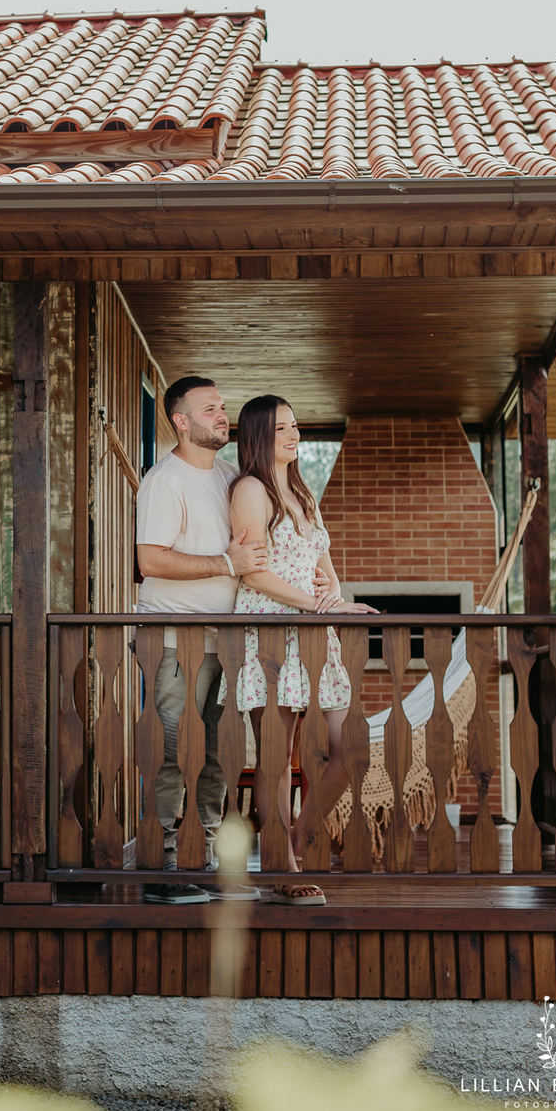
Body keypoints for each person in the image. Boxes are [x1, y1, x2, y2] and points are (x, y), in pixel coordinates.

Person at [225, 394, 378, 902]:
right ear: (258, 436)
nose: (294, 436)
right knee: (277, 755)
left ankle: (295, 837)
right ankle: (282, 867)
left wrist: (335, 602)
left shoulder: (303, 493)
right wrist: (318, 607)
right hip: (271, 631)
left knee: (351, 746)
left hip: (315, 634)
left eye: (296, 426)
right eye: (282, 429)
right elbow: (254, 571)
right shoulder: (250, 489)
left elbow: (323, 567)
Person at [135, 376, 267, 896]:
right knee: (174, 751)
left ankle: (205, 853)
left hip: (224, 645)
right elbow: (150, 559)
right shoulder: (165, 481)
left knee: (215, 754)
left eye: (223, 406)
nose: (222, 414)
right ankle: (168, 866)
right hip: (174, 643)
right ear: (180, 421)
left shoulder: (231, 476)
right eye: (209, 408)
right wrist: (225, 562)